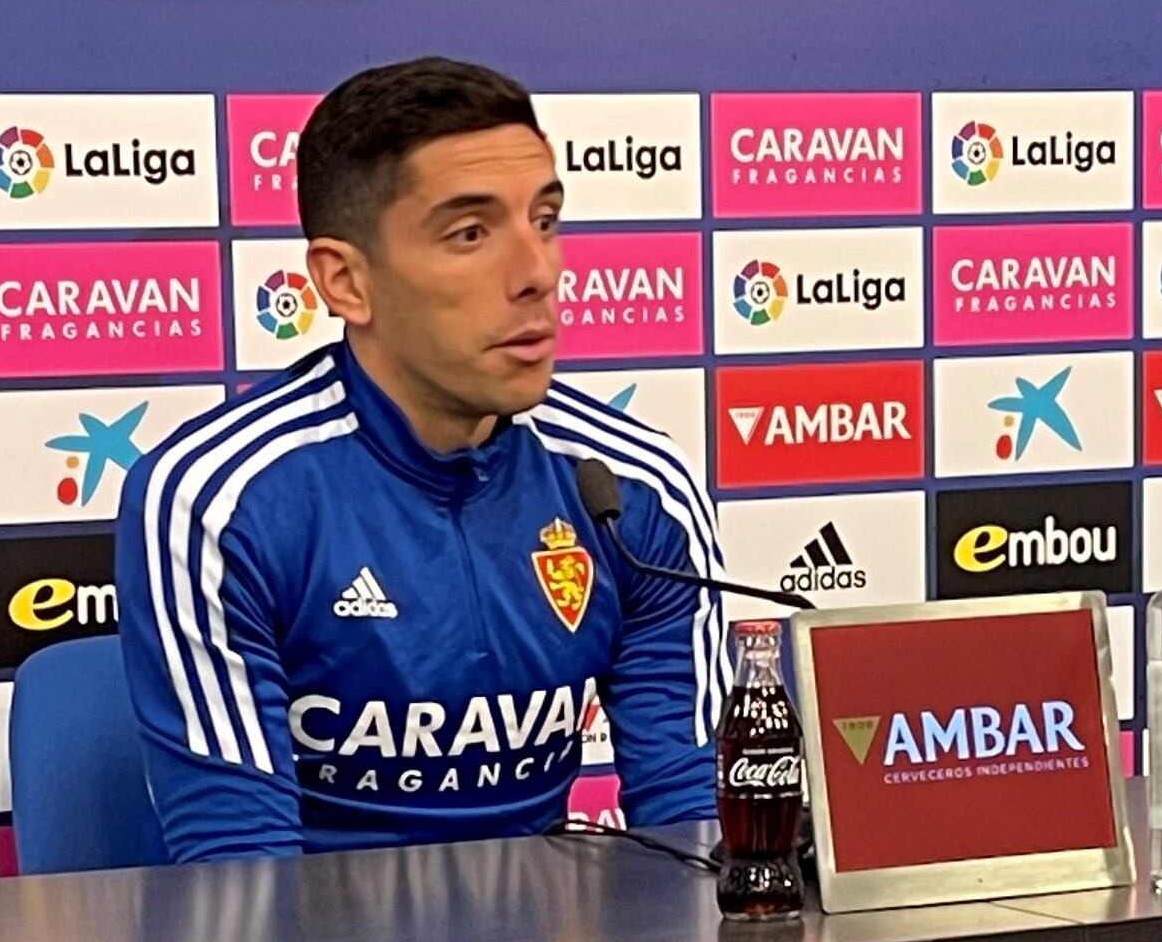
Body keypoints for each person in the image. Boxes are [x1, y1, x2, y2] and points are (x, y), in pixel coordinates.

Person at [117, 58, 726, 859]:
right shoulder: (218, 503)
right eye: (470, 233)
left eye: (544, 220)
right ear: (346, 282)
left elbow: (697, 833)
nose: (537, 273)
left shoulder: (634, 488)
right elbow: (242, 876)